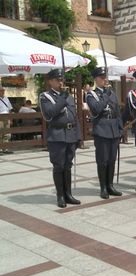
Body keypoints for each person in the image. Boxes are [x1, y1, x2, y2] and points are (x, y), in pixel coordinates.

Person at [39, 69, 81, 208]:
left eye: (62, 79)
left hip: (70, 135)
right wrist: (62, 98)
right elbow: (50, 114)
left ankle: (68, 194)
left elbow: (75, 117)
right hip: (57, 135)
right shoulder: (45, 96)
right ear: (50, 81)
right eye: (57, 80)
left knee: (68, 165)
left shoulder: (67, 96)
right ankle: (60, 196)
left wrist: (78, 136)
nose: (61, 82)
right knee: (59, 166)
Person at [86, 67, 123, 199]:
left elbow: (117, 111)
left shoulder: (111, 93)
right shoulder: (91, 95)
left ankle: (110, 186)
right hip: (101, 129)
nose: (105, 79)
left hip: (113, 129)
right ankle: (103, 188)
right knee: (103, 160)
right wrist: (105, 96)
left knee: (112, 160)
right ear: (96, 79)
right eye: (102, 77)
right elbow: (96, 109)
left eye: (105, 77)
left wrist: (120, 128)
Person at [0, 86, 13, 154]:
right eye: (1, 91)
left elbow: (10, 109)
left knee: (7, 134)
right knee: (0, 134)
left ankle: (6, 149)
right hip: (0, 118)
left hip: (7, 117)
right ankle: (0, 149)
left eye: (3, 90)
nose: (3, 92)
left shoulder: (6, 98)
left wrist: (10, 119)